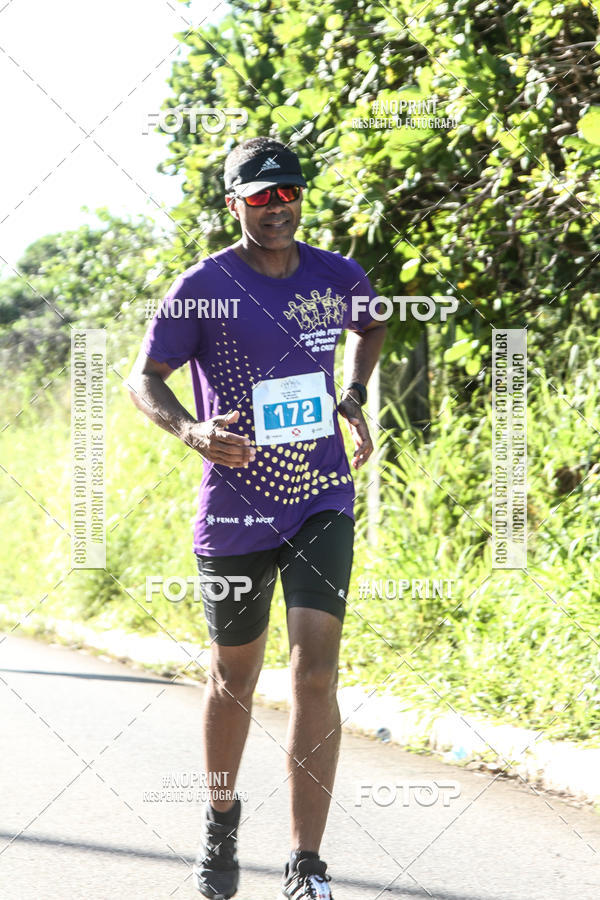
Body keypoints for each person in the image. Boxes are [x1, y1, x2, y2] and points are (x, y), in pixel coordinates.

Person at [128, 137, 386, 900]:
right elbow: (144, 377)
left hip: (320, 496)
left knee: (315, 671)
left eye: (289, 193)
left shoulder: (337, 275)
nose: (278, 207)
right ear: (234, 202)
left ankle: (307, 866)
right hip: (236, 509)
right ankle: (219, 820)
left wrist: (353, 393)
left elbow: (371, 324)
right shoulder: (203, 286)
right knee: (233, 677)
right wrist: (192, 432)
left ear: (302, 197)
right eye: (261, 195)